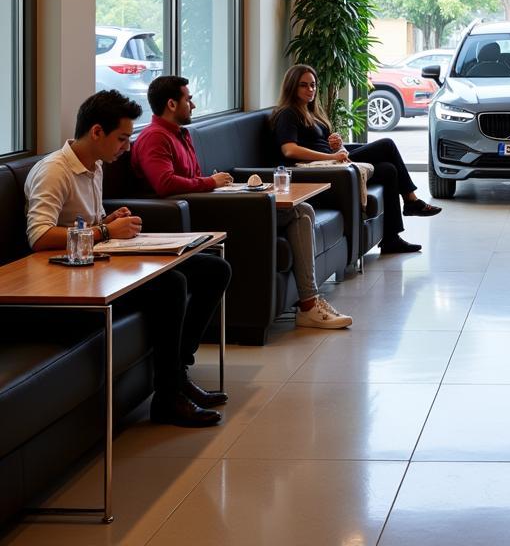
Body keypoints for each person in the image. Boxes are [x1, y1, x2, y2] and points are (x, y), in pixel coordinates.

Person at [24, 90, 232, 427]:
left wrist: (106, 222)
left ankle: (178, 371)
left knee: (213, 268)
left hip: (100, 259)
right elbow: (40, 236)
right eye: (122, 138)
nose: (127, 146)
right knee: (171, 284)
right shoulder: (54, 171)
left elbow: (84, 223)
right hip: (70, 272)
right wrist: (105, 232)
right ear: (96, 132)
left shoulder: (95, 166)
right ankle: (166, 396)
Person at [133, 75, 352, 330]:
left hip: (208, 204)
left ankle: (309, 301)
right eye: (188, 100)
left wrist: (218, 184)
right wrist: (211, 183)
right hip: (193, 217)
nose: (192, 105)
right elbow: (165, 184)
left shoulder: (181, 134)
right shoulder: (155, 138)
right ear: (172, 104)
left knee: (302, 209)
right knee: (301, 213)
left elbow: (190, 179)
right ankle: (308, 305)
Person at [271, 64, 437, 255]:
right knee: (387, 144)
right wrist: (332, 156)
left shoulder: (311, 112)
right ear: (292, 87)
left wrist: (337, 145)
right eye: (304, 85)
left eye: (313, 85)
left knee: (389, 171)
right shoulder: (288, 113)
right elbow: (290, 150)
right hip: (325, 168)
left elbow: (319, 143)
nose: (311, 90)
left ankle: (391, 239)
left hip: (332, 162)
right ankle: (411, 200)